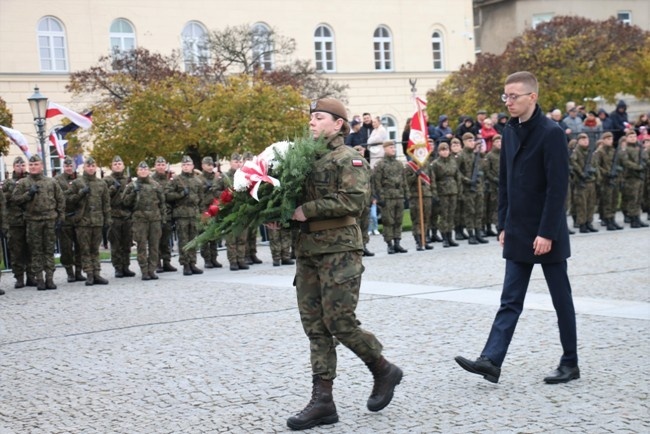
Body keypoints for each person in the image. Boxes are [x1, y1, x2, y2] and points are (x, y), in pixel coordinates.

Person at [455, 71, 579, 385]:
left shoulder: (551, 133)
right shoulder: (509, 131)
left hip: (545, 231)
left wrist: (547, 232)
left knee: (560, 299)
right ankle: (491, 361)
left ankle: (570, 362)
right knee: (510, 299)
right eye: (505, 96)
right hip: (518, 229)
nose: (508, 102)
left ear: (532, 97)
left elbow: (557, 187)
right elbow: (505, 183)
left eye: (514, 96)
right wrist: (503, 224)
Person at [287, 98, 402, 430]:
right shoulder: (304, 161)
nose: (311, 122)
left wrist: (307, 210)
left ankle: (382, 369)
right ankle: (323, 401)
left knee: (340, 322)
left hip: (339, 250)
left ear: (338, 124)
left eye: (319, 117)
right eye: (310, 117)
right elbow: (296, 202)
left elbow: (352, 200)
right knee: (316, 327)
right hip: (307, 250)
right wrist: (282, 217)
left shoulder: (348, 159)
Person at [12, 154, 65, 290]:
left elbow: (60, 200)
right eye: (31, 165)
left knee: (49, 250)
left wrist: (60, 218)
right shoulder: (24, 183)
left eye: (36, 165)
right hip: (33, 221)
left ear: (41, 166)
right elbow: (15, 199)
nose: (33, 167)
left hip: (49, 220)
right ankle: (39, 279)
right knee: (36, 251)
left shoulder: (51, 182)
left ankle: (49, 279)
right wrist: (29, 194)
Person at [66, 157, 111, 286]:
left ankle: (97, 273)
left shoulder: (101, 184)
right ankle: (89, 274)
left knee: (95, 249)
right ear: (84, 167)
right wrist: (80, 194)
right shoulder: (77, 183)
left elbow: (106, 203)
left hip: (97, 221)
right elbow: (68, 200)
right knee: (85, 249)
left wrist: (107, 219)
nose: (91, 168)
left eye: (93, 166)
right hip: (83, 221)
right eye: (88, 166)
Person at [122, 161, 166, 280]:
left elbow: (162, 203)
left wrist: (163, 218)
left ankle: (152, 270)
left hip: (154, 219)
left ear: (148, 171)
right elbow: (125, 202)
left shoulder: (155, 185)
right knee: (141, 246)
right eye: (141, 170)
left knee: (154, 246)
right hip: (140, 220)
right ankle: (144, 270)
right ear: (137, 171)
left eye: (145, 169)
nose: (143, 171)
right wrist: (133, 193)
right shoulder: (132, 185)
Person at [166, 155, 204, 275]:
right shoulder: (177, 180)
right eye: (184, 165)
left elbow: (201, 199)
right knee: (183, 240)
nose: (186, 167)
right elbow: (167, 195)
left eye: (188, 165)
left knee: (194, 240)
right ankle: (185, 264)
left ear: (192, 166)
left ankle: (193, 263)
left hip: (194, 214)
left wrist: (202, 214)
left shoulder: (198, 181)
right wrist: (180, 194)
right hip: (181, 214)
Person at [372, 140, 408, 254]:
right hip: (387, 196)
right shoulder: (380, 165)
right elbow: (377, 182)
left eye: (394, 147)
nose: (393, 149)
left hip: (398, 195)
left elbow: (404, 180)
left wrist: (406, 194)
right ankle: (389, 244)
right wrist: (380, 198)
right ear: (385, 149)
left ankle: (397, 242)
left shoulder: (398, 164)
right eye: (391, 147)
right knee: (388, 221)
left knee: (398, 220)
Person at [3, 156, 35, 288]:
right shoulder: (8, 183)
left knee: (31, 249)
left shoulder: (31, 181)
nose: (20, 168)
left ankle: (31, 276)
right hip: (14, 222)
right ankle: (19, 277)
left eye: (22, 165)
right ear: (13, 167)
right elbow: (4, 200)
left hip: (30, 220)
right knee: (16, 251)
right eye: (17, 165)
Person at [104, 156, 135, 278]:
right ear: (112, 166)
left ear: (123, 165)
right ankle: (118, 267)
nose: (117, 165)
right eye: (115, 163)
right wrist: (113, 188)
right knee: (115, 244)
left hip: (127, 215)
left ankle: (126, 266)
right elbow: (104, 197)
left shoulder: (128, 180)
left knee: (127, 243)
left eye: (119, 163)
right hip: (114, 215)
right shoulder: (107, 180)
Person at [55, 156, 85, 282]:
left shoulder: (81, 179)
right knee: (66, 248)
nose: (69, 168)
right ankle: (69, 272)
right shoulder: (57, 180)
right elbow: (60, 198)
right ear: (63, 167)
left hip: (79, 217)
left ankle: (79, 271)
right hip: (65, 217)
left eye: (71, 166)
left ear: (74, 166)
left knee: (80, 246)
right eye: (66, 166)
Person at [431, 142, 460, 247]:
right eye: (442, 150)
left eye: (446, 149)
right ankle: (444, 238)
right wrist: (435, 194)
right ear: (439, 152)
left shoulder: (453, 161)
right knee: (444, 215)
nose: (445, 152)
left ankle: (450, 236)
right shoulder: (435, 164)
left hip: (453, 190)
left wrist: (459, 190)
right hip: (442, 191)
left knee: (451, 215)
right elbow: (433, 180)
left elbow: (457, 176)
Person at [152, 156, 177, 273]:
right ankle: (156, 263)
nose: (161, 167)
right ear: (155, 166)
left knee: (166, 240)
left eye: (163, 165)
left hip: (167, 213)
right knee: (156, 240)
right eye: (158, 165)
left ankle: (166, 262)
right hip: (155, 214)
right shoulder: (151, 180)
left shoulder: (170, 180)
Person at [197, 156, 223, 269]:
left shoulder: (216, 177)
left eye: (211, 165)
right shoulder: (199, 178)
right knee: (204, 235)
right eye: (208, 165)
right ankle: (207, 259)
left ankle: (214, 258)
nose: (210, 167)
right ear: (203, 166)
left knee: (214, 234)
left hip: (215, 208)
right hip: (204, 209)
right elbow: (200, 193)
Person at [570, 133, 600, 233]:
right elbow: (573, 163)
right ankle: (582, 224)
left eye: (586, 139)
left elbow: (595, 165)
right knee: (581, 204)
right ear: (578, 141)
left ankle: (589, 222)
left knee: (591, 204)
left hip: (591, 181)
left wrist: (596, 177)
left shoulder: (591, 152)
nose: (585, 141)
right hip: (581, 182)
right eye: (583, 140)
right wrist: (581, 173)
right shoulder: (576, 152)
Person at [620, 130, 649, 228]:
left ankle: (637, 218)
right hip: (631, 177)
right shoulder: (625, 149)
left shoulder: (639, 148)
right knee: (632, 199)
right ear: (627, 138)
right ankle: (633, 219)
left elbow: (645, 158)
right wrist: (638, 167)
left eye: (634, 136)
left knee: (638, 199)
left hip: (640, 177)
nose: (633, 138)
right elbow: (626, 162)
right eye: (630, 137)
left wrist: (643, 165)